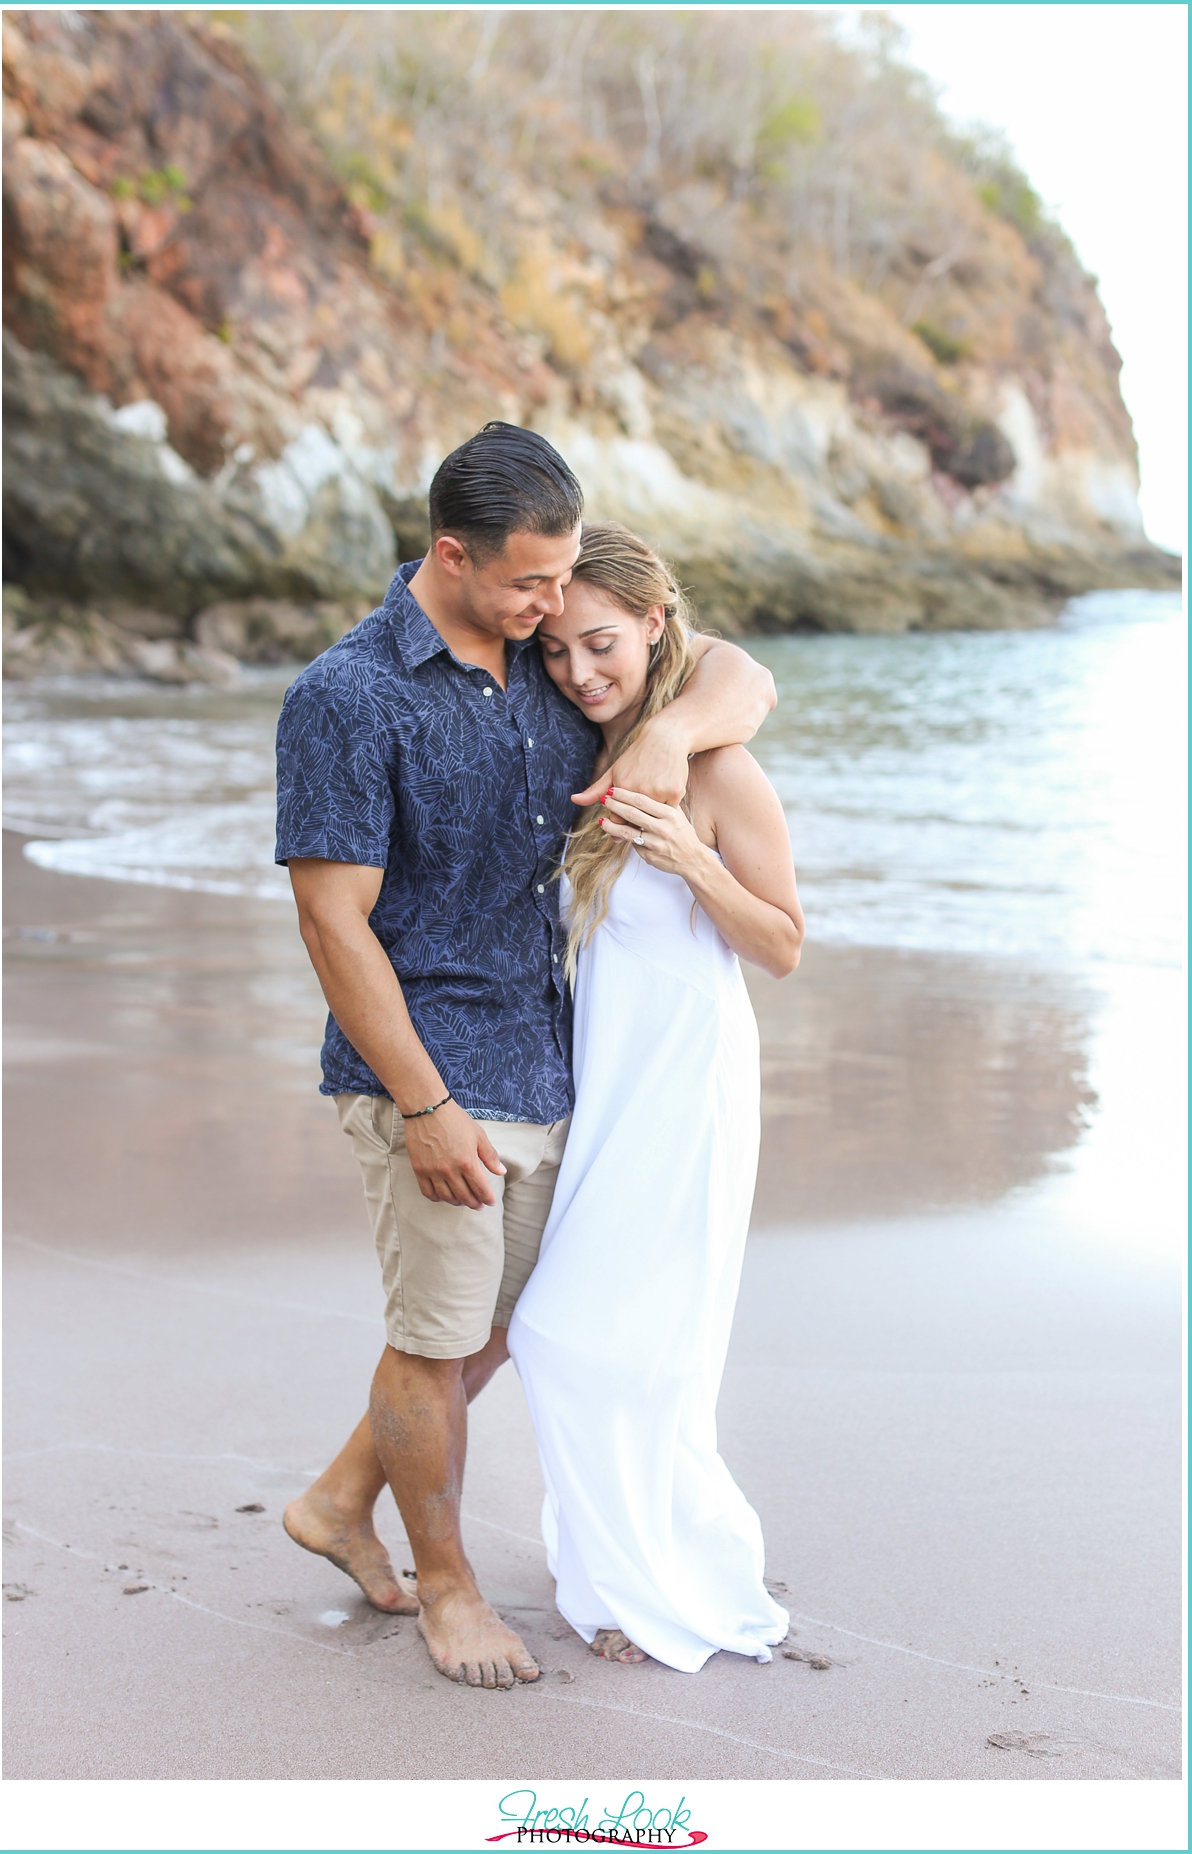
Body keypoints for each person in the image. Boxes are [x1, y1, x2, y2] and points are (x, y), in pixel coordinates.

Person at [273, 424, 776, 1690]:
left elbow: (724, 673)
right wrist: (425, 1104)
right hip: (431, 1074)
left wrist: (665, 742)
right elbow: (332, 920)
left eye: (571, 597)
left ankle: (340, 1500)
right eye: (533, 589)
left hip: (555, 1069)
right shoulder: (348, 698)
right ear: (453, 554)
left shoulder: (543, 672)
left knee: (504, 1327)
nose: (557, 616)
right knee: (439, 1339)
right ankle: (448, 1590)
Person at [509, 523, 804, 1673]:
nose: (580, 671)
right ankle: (613, 1573)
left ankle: (673, 1579)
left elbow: (781, 945)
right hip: (609, 1085)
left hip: (688, 1085)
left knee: (606, 1340)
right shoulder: (589, 748)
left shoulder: (718, 771)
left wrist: (689, 857)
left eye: (603, 646)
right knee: (582, 1335)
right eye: (559, 653)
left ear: (653, 628)